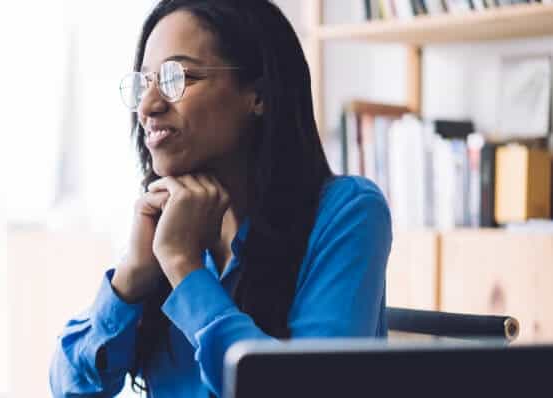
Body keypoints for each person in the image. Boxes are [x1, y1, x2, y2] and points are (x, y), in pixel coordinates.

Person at [49, 0, 392, 396]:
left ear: (258, 95)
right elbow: (70, 389)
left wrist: (185, 270)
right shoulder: (162, 218)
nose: (148, 106)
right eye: (145, 83)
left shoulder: (348, 212)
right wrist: (130, 279)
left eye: (179, 77)